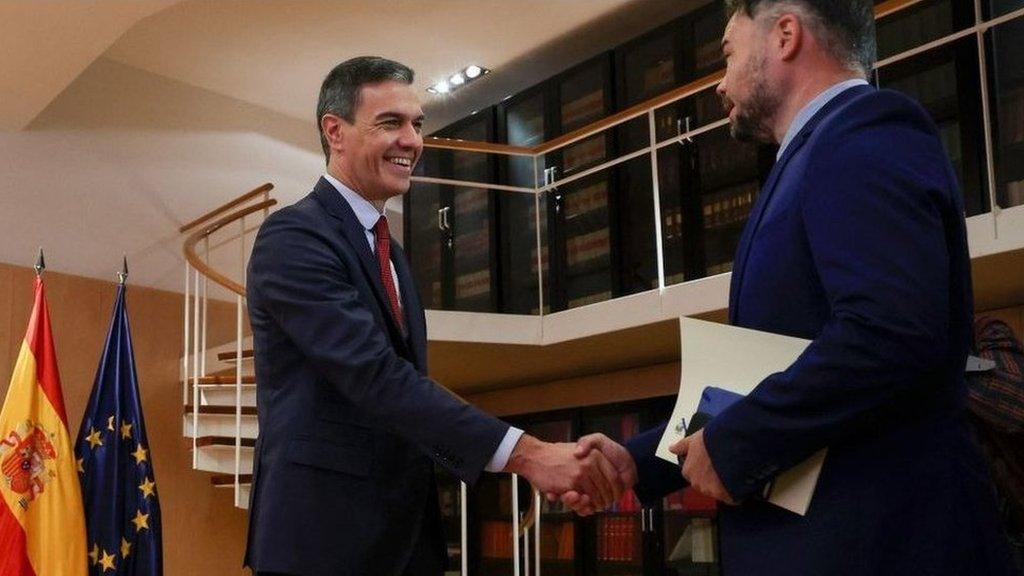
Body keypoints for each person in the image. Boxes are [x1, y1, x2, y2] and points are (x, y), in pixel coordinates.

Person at [567, 1, 1020, 574]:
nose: (719, 85)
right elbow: (775, 369)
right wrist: (639, 462)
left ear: (785, 35)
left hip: (879, 543)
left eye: (728, 55)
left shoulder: (867, 129)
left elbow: (890, 334)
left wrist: (734, 445)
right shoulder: (813, 154)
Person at [243, 56, 634, 576]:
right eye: (391, 123)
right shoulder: (293, 237)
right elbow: (376, 377)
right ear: (334, 132)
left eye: (417, 123)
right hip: (324, 544)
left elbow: (405, 388)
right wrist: (531, 455)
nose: (412, 140)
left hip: (405, 541)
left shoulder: (393, 254)